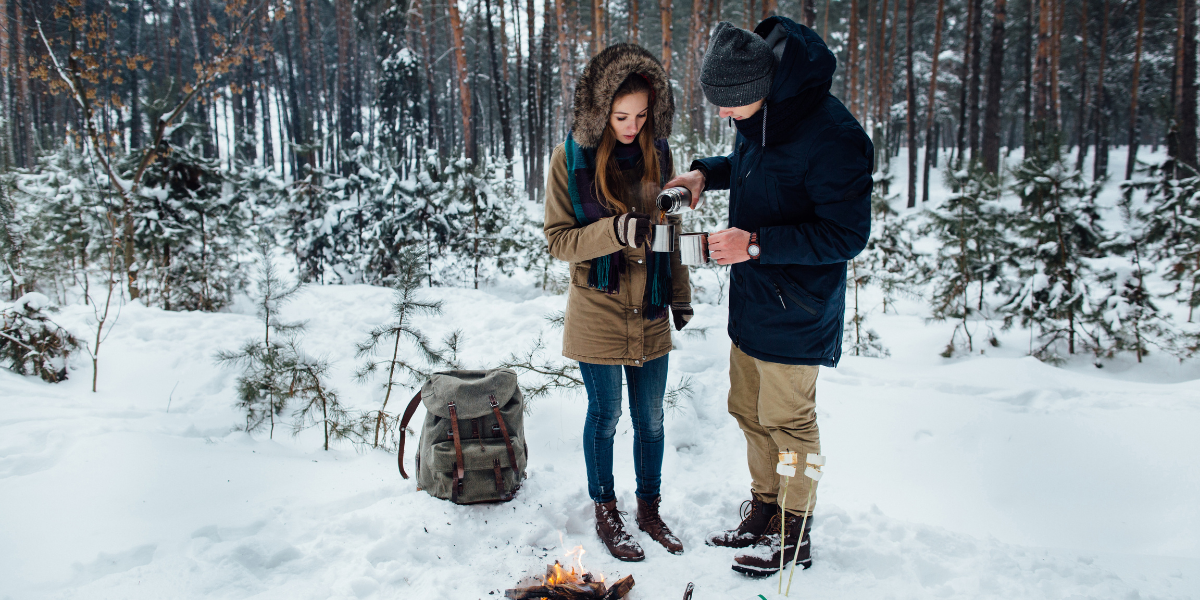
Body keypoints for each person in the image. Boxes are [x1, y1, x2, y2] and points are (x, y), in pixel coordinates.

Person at [663, 17, 873, 576]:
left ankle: (795, 533)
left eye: (729, 106)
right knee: (749, 413)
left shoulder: (834, 136)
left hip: (798, 311)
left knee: (790, 424)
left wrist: (754, 243)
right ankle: (765, 508)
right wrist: (705, 174)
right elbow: (759, 167)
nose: (723, 116)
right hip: (754, 302)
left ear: (760, 88)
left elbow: (847, 235)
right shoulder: (761, 113)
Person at [543, 43, 693, 562]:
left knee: (651, 419)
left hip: (650, 308)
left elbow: (670, 231)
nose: (632, 126)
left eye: (642, 116)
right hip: (599, 309)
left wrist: (680, 295)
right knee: (605, 414)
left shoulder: (660, 155)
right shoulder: (569, 160)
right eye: (622, 116)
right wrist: (614, 231)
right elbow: (559, 240)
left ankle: (649, 509)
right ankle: (606, 509)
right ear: (601, 110)